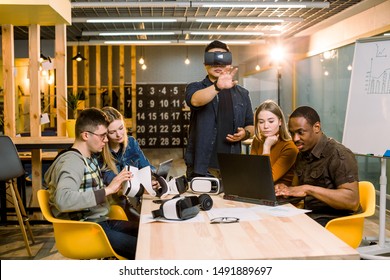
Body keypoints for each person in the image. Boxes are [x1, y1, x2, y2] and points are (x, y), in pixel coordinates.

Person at [44, 108, 137, 259]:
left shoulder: (90, 158)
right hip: (86, 230)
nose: (106, 140)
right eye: (102, 136)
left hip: (101, 222)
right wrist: (107, 190)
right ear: (86, 135)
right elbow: (63, 199)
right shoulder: (72, 162)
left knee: (149, 234)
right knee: (145, 248)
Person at [275, 106, 360, 226]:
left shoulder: (338, 154)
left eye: (300, 132)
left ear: (316, 127)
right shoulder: (302, 153)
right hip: (310, 214)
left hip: (334, 220)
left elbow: (352, 201)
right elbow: (297, 189)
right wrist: (285, 190)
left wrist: (308, 189)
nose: (295, 138)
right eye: (292, 133)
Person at [184, 40, 254, 179]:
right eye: (212, 59)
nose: (217, 63)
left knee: (230, 201)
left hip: (232, 165)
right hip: (202, 165)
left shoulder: (242, 93)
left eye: (222, 58)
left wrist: (245, 133)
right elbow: (195, 100)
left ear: (229, 62)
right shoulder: (195, 87)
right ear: (205, 63)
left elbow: (251, 125)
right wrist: (217, 86)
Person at [100, 106, 158, 217]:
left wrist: (153, 178)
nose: (119, 134)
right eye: (112, 132)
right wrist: (142, 188)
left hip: (136, 201)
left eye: (121, 128)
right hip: (116, 206)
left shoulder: (131, 142)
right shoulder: (101, 153)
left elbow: (146, 166)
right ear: (105, 134)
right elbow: (118, 187)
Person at [250, 100, 298, 185]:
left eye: (271, 121)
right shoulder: (257, 141)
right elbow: (252, 173)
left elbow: (266, 180)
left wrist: (266, 147)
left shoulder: (290, 147)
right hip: (259, 190)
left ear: (280, 122)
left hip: (281, 195)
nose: (266, 126)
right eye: (261, 122)